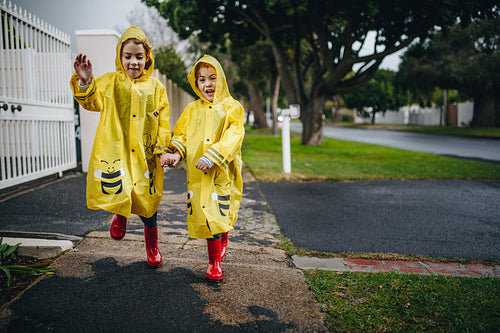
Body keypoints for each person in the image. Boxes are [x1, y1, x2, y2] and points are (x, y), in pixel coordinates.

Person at [70, 26, 171, 267]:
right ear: (120, 57)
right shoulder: (111, 83)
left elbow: (164, 123)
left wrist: (163, 148)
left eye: (139, 56)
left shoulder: (156, 88)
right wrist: (85, 82)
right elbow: (92, 102)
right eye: (128, 56)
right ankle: (121, 215)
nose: (133, 62)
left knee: (148, 203)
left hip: (145, 154)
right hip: (117, 151)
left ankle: (152, 247)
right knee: (121, 187)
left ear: (147, 58)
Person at [162, 55, 245, 281]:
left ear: (222, 80)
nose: (208, 84)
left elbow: (233, 136)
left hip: (221, 173)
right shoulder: (192, 109)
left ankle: (214, 263)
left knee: (217, 214)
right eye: (202, 79)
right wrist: (176, 153)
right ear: (196, 83)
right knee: (207, 215)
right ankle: (218, 245)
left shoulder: (232, 108)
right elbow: (182, 134)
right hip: (198, 175)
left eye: (212, 78)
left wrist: (212, 156)